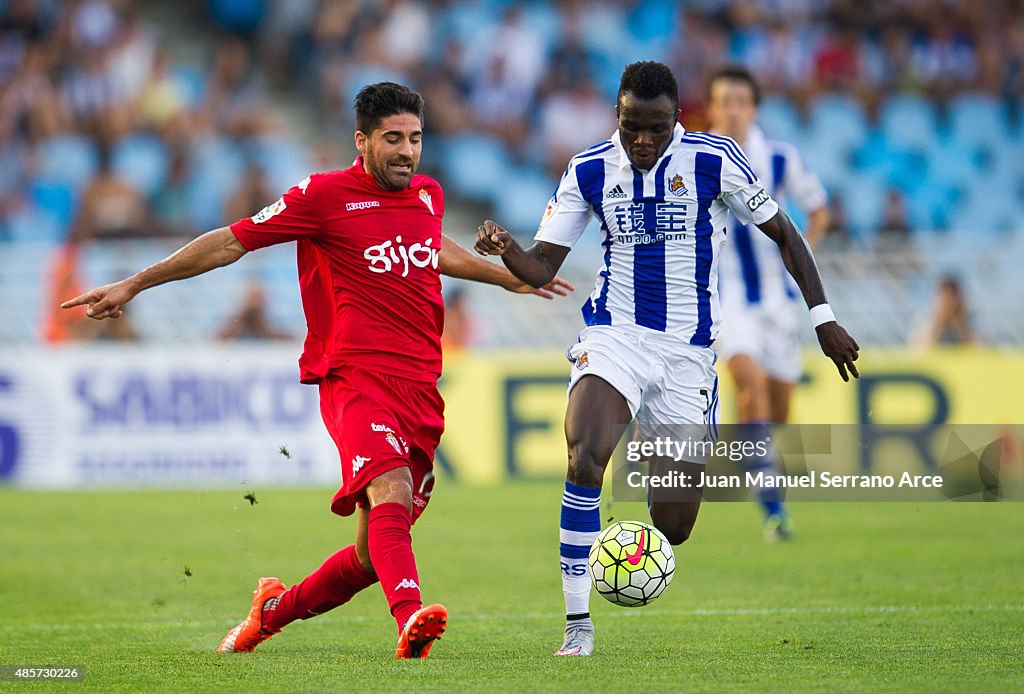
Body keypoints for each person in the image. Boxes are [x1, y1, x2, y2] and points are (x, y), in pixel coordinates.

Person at [62, 81, 572, 660]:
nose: (407, 152)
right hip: (354, 379)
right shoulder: (322, 196)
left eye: (416, 139)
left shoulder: (428, 194)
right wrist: (135, 282)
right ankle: (411, 621)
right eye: (393, 140)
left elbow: (437, 250)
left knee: (368, 557)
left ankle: (270, 613)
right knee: (392, 492)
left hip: (421, 388)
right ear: (361, 141)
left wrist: (514, 276)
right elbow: (230, 243)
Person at [474, 61, 859, 657]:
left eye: (656, 127)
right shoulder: (590, 167)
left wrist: (823, 318)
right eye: (632, 127)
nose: (643, 141)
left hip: (688, 355)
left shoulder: (714, 159)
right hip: (614, 335)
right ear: (617, 117)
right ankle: (578, 627)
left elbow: (785, 232)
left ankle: (641, 516)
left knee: (674, 524)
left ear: (678, 118)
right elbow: (542, 265)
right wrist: (508, 250)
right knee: (585, 458)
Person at [706, 65, 831, 541]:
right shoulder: (699, 157)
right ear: (712, 108)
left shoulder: (780, 157)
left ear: (753, 108)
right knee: (750, 387)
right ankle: (773, 511)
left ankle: (756, 461)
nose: (733, 109)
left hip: (779, 302)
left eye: (741, 100)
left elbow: (819, 210)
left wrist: (802, 260)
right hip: (726, 298)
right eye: (724, 101)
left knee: (778, 411)